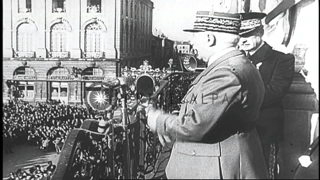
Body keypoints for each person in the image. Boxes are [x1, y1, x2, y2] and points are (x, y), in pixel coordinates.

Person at [142, 11, 268, 179]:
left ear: (209, 38)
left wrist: (158, 120)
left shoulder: (225, 74)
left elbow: (194, 126)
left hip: (215, 168)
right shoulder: (237, 65)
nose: (191, 43)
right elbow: (212, 113)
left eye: (195, 37)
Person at [238, 12, 295, 179]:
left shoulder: (282, 59)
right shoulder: (238, 60)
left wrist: (242, 100)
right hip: (238, 129)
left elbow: (277, 90)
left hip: (264, 128)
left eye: (248, 35)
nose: (243, 40)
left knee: (263, 173)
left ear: (261, 33)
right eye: (240, 36)